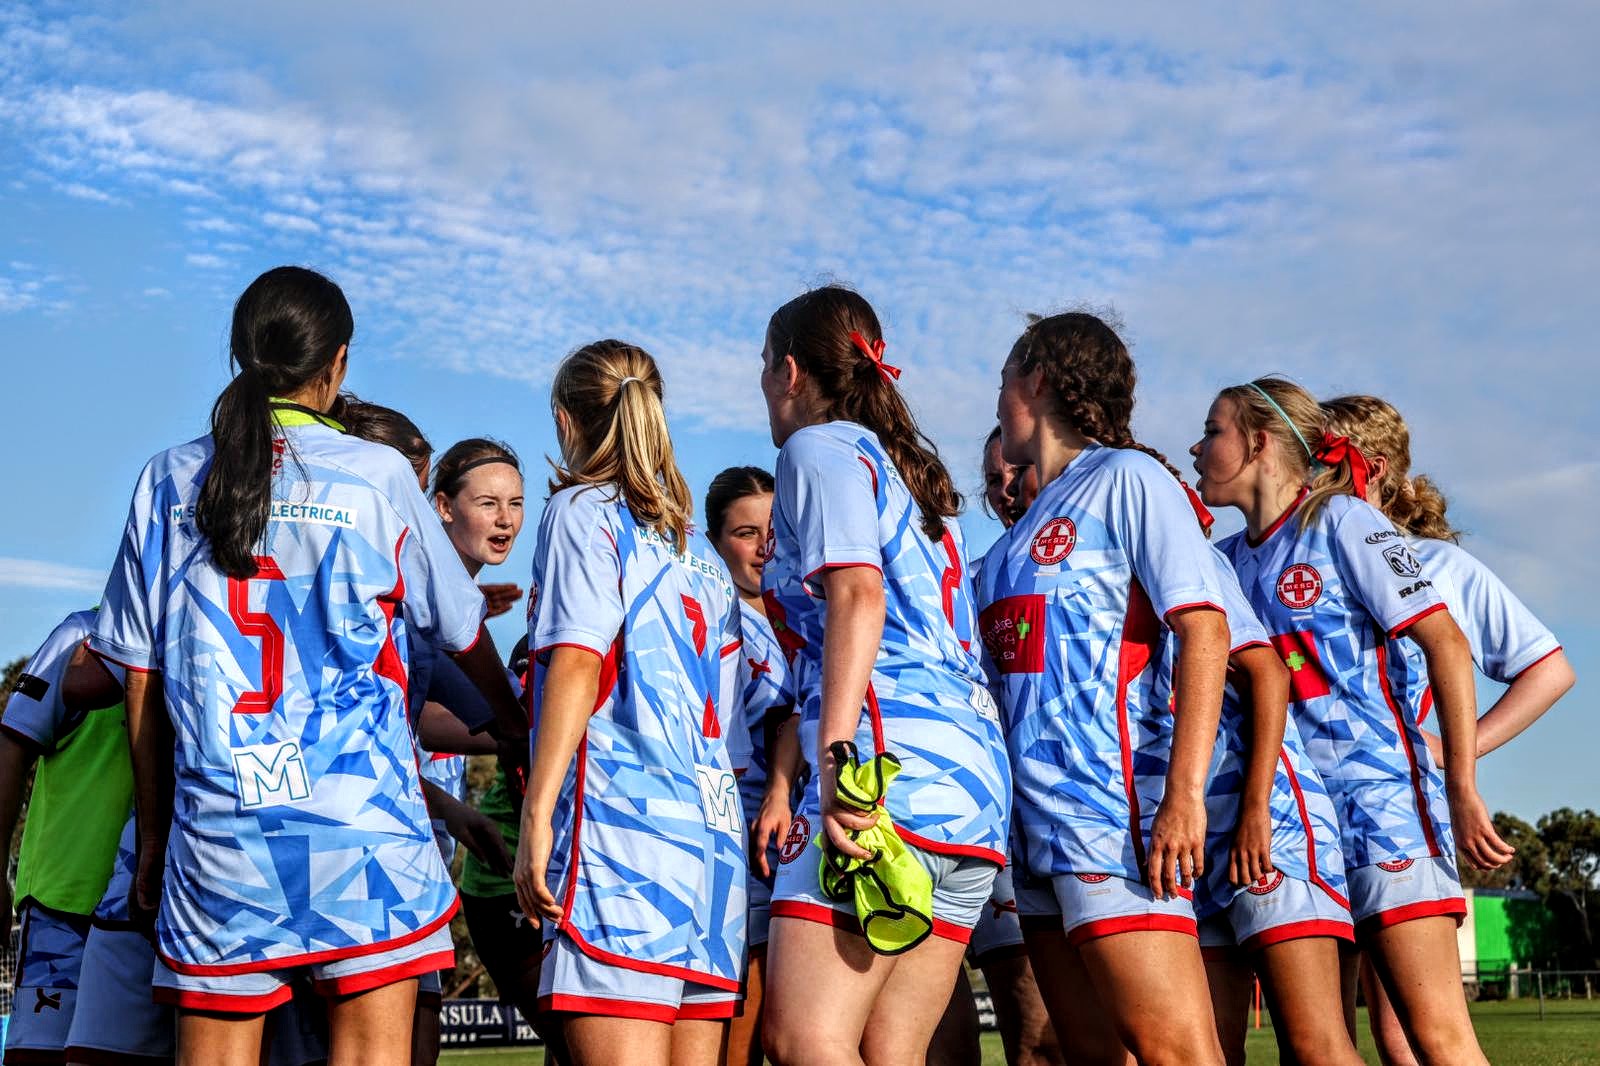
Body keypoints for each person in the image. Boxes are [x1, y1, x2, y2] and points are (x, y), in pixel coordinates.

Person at [89, 265, 524, 1066]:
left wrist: (154, 838)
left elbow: (140, 682)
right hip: (363, 828)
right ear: (339, 365)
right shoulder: (381, 476)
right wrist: (519, 727)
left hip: (223, 830)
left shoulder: (166, 478)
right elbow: (463, 634)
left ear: (236, 354)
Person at [1197, 376, 1512, 1066]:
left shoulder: (1342, 519)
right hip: (1296, 827)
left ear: (1258, 442)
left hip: (1381, 806)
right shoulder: (1223, 561)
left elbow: (1447, 645)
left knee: (1435, 1036)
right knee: (1316, 1044)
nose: (1197, 447)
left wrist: (1460, 785)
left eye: (1212, 431)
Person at [755, 286, 1011, 1066]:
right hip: (970, 790)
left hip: (884, 773)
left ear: (791, 371)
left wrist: (835, 760)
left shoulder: (821, 447)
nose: (764, 384)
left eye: (765, 367)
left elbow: (856, 591)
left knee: (805, 1039)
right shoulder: (914, 476)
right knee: (892, 1050)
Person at [976, 312, 1230, 1066]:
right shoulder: (1010, 541)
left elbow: (1206, 631)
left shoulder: (1126, 477)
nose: (996, 406)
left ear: (1038, 381)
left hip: (1112, 816)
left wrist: (1182, 795)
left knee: (1174, 1048)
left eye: (1001, 385)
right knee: (1085, 1052)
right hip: (1034, 830)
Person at [1320, 393, 1575, 1066]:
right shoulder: (1295, 564)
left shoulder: (1437, 567)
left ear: (1366, 468)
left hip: (1393, 815)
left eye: (1317, 455)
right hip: (1305, 816)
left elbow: (1548, 670)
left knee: (1410, 1034)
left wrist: (1453, 751)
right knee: (1335, 1034)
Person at [512, 340, 747, 1066]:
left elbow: (580, 662)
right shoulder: (697, 554)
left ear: (564, 421)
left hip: (625, 838)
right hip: (710, 848)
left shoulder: (584, 510)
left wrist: (537, 810)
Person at [336, 399, 522, 1066]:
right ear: (440, 505)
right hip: (368, 850)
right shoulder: (398, 602)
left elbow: (447, 715)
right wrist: (526, 731)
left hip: (418, 846)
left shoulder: (444, 609)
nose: (506, 519)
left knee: (420, 1011)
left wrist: (452, 808)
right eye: (487, 502)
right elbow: (437, 719)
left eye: (516, 503)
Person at [932, 429, 1060, 1066]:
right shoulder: (975, 580)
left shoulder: (1094, 552)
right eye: (992, 480)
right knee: (1000, 1018)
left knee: (1054, 1030)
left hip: (1074, 817)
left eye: (1019, 471)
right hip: (988, 824)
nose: (1006, 489)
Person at [0, 612, 130, 1066]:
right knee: (40, 1055)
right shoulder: (82, 635)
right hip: (65, 905)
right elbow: (11, 747)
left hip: (151, 913)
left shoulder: (202, 633)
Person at [703, 466, 796, 1066]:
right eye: (744, 532)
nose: (763, 547)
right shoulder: (709, 622)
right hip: (742, 842)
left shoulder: (807, 615)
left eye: (772, 529)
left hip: (806, 839)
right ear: (714, 543)